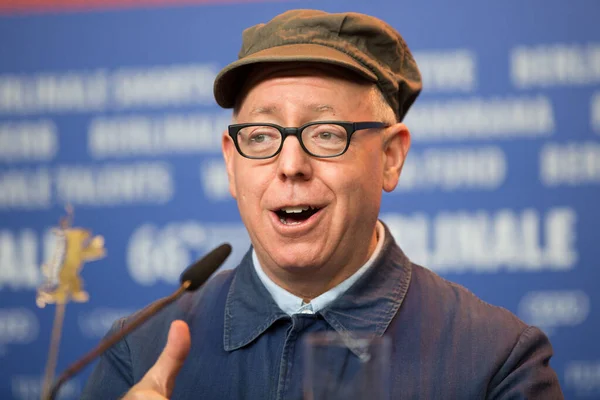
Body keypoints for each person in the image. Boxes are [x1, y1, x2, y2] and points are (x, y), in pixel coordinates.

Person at [82, 9, 563, 399]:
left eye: (326, 133)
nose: (291, 164)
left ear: (391, 158)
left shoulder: (496, 361)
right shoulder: (140, 351)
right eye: (262, 135)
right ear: (231, 164)